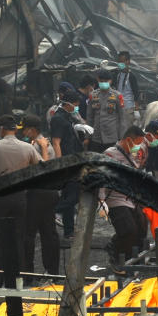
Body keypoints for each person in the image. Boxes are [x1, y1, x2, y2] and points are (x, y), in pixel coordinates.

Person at [0, 114, 42, 279]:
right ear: (15, 130)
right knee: (18, 234)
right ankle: (18, 273)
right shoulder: (27, 147)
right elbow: (39, 167)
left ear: (1, 129)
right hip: (19, 196)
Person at [103, 126, 149, 273]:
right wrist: (101, 201)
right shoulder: (110, 154)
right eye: (137, 143)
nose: (138, 147)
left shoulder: (135, 154)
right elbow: (101, 178)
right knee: (128, 229)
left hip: (132, 197)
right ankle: (117, 257)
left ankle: (133, 258)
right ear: (128, 140)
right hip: (115, 198)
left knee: (141, 228)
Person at [19, 114, 59, 276]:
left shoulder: (42, 145)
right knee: (46, 232)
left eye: (25, 130)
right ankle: (49, 271)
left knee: (32, 234)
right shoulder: (32, 144)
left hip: (39, 194)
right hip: (43, 194)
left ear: (33, 130)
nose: (23, 133)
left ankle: (32, 273)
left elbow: (47, 169)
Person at [51, 90, 87, 240]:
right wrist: (61, 164)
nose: (76, 108)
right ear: (69, 104)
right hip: (67, 163)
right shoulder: (58, 118)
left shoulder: (66, 116)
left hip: (73, 160)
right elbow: (56, 142)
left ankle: (69, 231)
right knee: (74, 195)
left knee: (69, 195)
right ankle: (52, 211)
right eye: (76, 105)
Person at [89, 68, 125, 153]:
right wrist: (88, 137)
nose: (104, 83)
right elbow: (90, 116)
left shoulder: (117, 96)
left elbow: (122, 118)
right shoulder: (93, 95)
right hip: (96, 137)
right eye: (101, 81)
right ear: (98, 80)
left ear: (111, 81)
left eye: (106, 81)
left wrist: (121, 138)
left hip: (112, 137)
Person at [114, 51, 140, 127]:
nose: (120, 64)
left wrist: (136, 110)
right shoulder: (117, 75)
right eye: (119, 62)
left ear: (128, 61)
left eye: (122, 62)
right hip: (118, 107)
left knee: (127, 130)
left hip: (128, 108)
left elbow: (136, 93)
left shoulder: (131, 76)